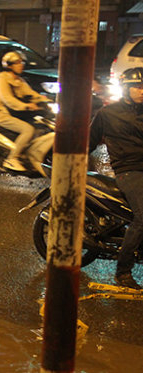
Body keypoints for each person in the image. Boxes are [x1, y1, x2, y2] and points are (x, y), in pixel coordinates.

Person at [89, 67, 143, 289]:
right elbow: (89, 143)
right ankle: (123, 271)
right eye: (138, 87)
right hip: (129, 170)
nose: (142, 91)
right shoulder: (107, 114)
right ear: (127, 89)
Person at [0, 51, 49, 171]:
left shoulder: (19, 80)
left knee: (42, 125)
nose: (21, 65)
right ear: (9, 66)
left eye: (21, 62)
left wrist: (46, 100)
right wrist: (27, 106)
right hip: (4, 114)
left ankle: (29, 153)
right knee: (28, 130)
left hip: (18, 114)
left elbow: (30, 93)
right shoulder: (3, 79)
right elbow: (8, 100)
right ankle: (12, 158)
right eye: (17, 63)